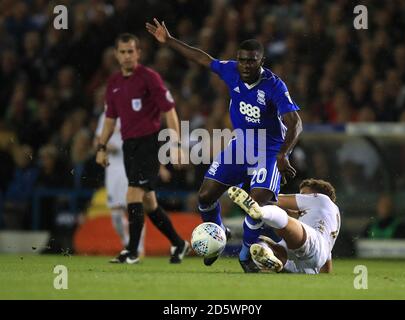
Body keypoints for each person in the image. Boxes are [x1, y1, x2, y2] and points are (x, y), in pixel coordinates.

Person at [146, 19, 302, 272]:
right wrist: (170, 40)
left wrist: (283, 154)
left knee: (257, 203)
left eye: (251, 60)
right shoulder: (231, 70)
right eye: (242, 60)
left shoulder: (274, 86)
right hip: (240, 146)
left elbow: (295, 122)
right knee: (205, 196)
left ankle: (245, 254)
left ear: (261, 61)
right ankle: (217, 234)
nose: (245, 65)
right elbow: (202, 58)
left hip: (269, 151)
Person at [96, 33, 189, 264]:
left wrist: (176, 144)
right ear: (116, 55)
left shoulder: (149, 78)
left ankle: (132, 250)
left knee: (132, 195)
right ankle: (179, 243)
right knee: (149, 203)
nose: (127, 56)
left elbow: (169, 110)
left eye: (131, 51)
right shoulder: (114, 84)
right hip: (130, 146)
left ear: (138, 53)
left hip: (149, 142)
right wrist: (101, 146)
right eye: (123, 52)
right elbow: (110, 118)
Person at [228, 178, 340, 274]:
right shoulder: (330, 219)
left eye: (304, 195)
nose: (301, 197)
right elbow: (326, 266)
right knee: (261, 242)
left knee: (284, 225)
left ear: (316, 194)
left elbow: (276, 200)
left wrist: (253, 195)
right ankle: (271, 257)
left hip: (311, 246)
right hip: (308, 266)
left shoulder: (323, 199)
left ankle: (261, 212)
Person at [95, 111, 146, 259]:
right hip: (113, 168)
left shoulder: (134, 111)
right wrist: (106, 147)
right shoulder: (105, 115)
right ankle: (127, 243)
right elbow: (98, 140)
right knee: (116, 213)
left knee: (134, 207)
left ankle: (139, 248)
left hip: (132, 165)